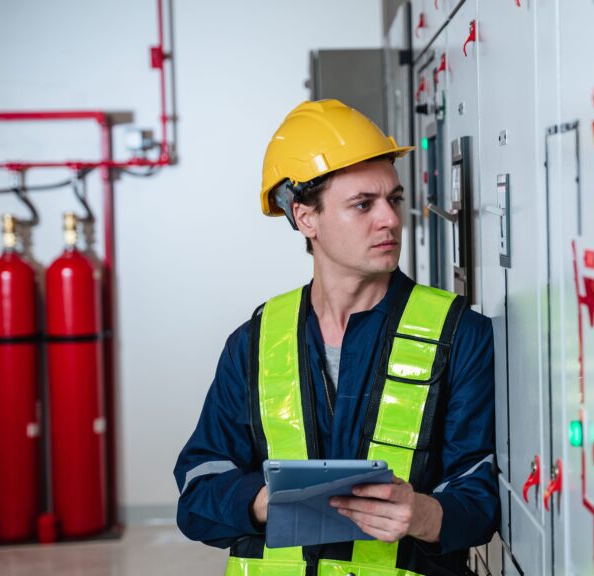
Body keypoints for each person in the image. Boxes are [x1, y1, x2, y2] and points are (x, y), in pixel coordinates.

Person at [174, 99, 498, 575]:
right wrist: (267, 503)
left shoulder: (460, 335)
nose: (389, 219)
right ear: (306, 218)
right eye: (363, 205)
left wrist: (425, 515)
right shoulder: (254, 343)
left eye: (394, 199)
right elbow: (198, 490)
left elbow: (482, 487)